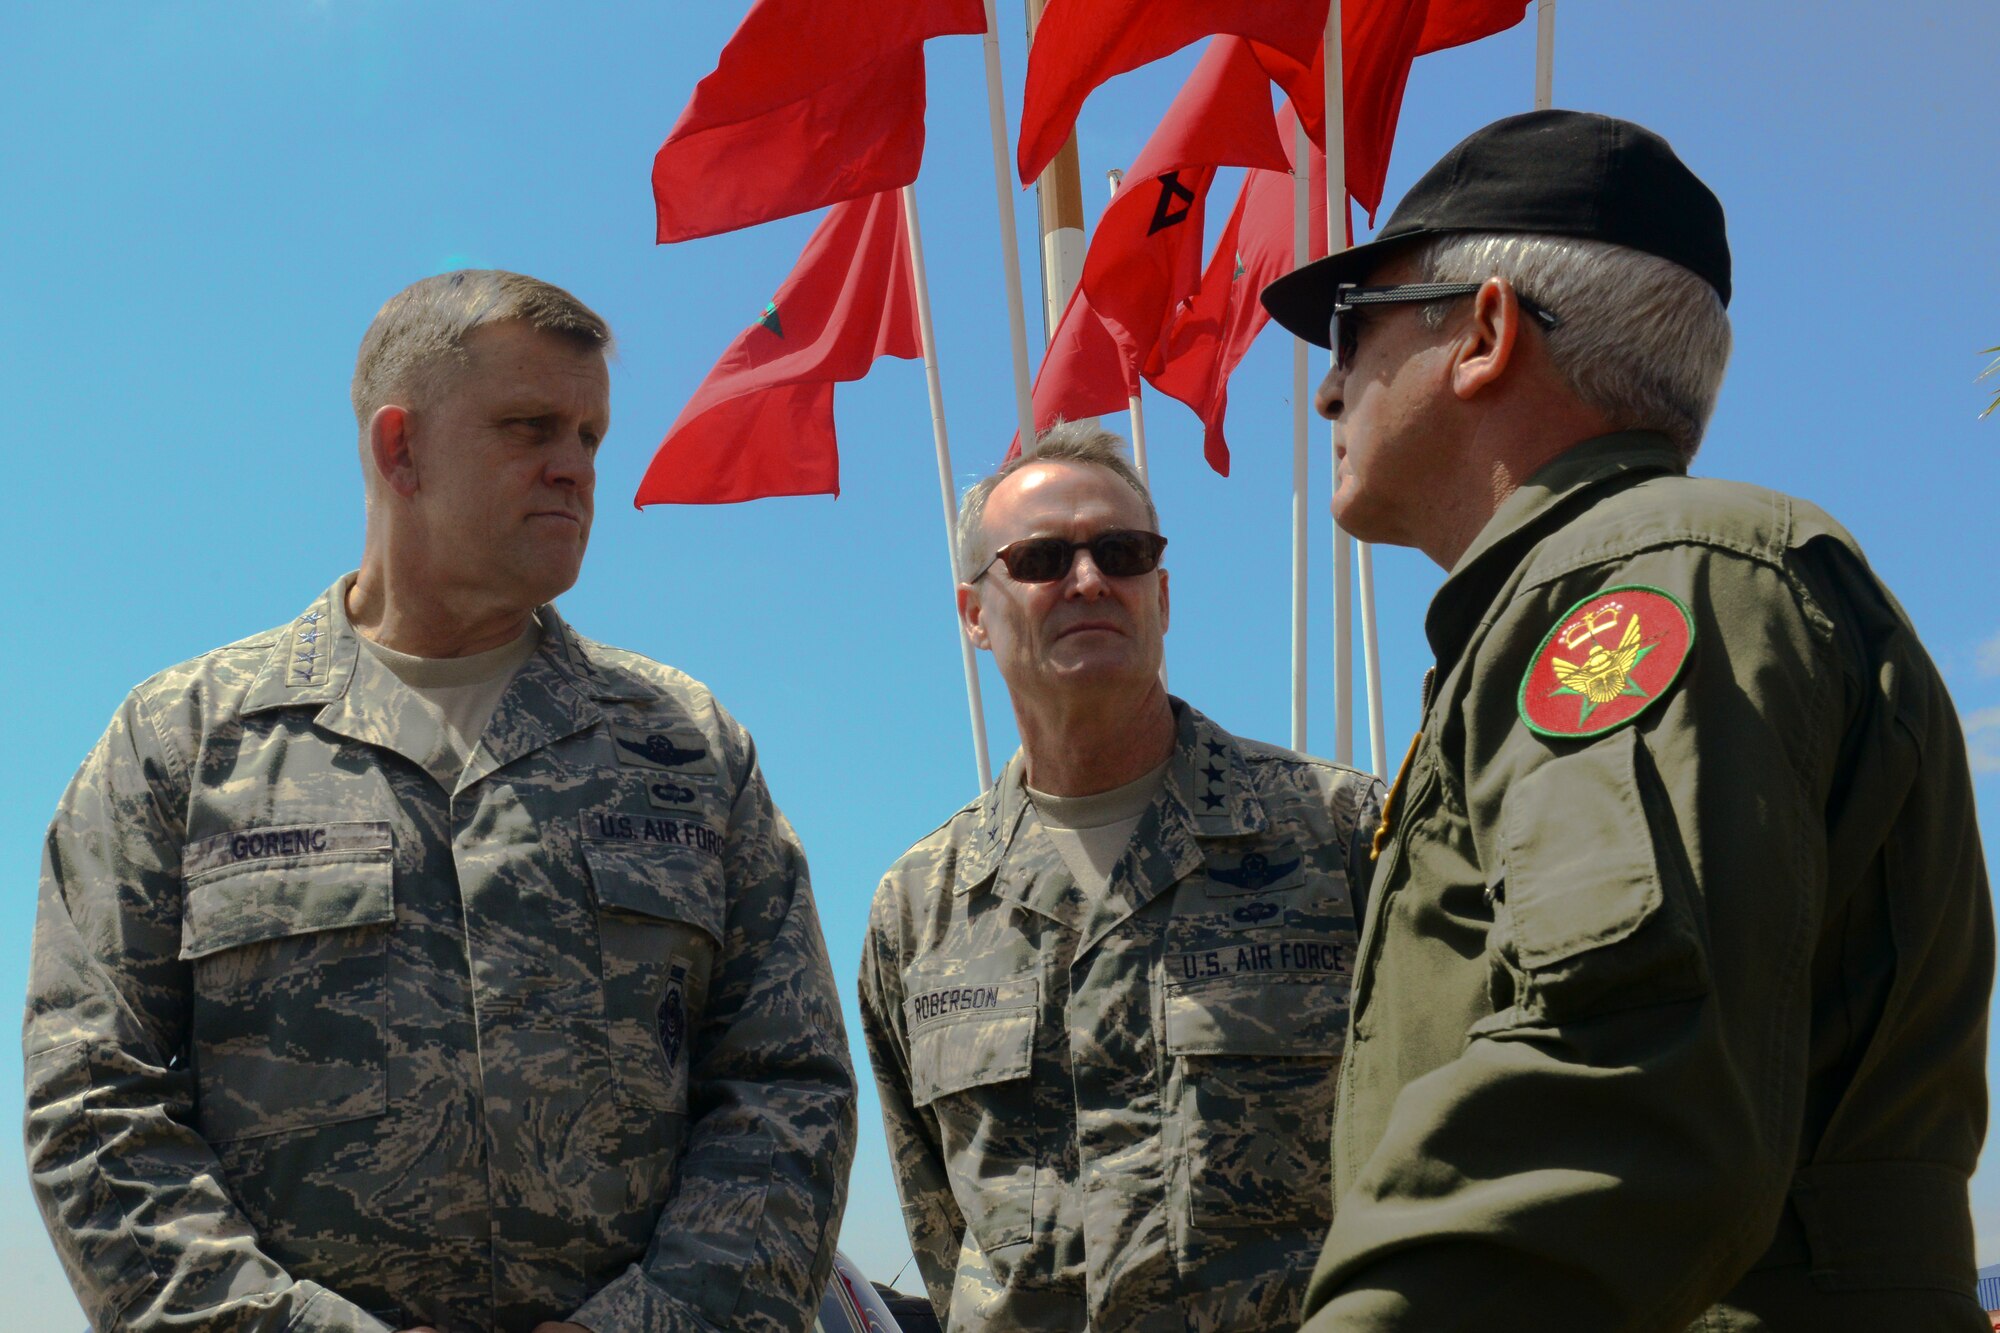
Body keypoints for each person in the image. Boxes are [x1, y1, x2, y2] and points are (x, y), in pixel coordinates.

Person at [1258, 109, 1993, 1330]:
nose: (1329, 384)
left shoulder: (1644, 586)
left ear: (1484, 333)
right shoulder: (1629, 586)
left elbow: (1618, 1083)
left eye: (1354, 326)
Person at [24, 270, 857, 1333]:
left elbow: (786, 1085)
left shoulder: (685, 745)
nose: (575, 469)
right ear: (398, 448)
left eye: (591, 436)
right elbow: (95, 1100)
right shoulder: (184, 743)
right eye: (530, 427)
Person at [857, 423, 1384, 1332]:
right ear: (974, 613)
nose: (1090, 578)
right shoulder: (921, 907)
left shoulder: (1344, 836)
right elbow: (944, 1231)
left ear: (1163, 595)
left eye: (1123, 551)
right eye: (1042, 557)